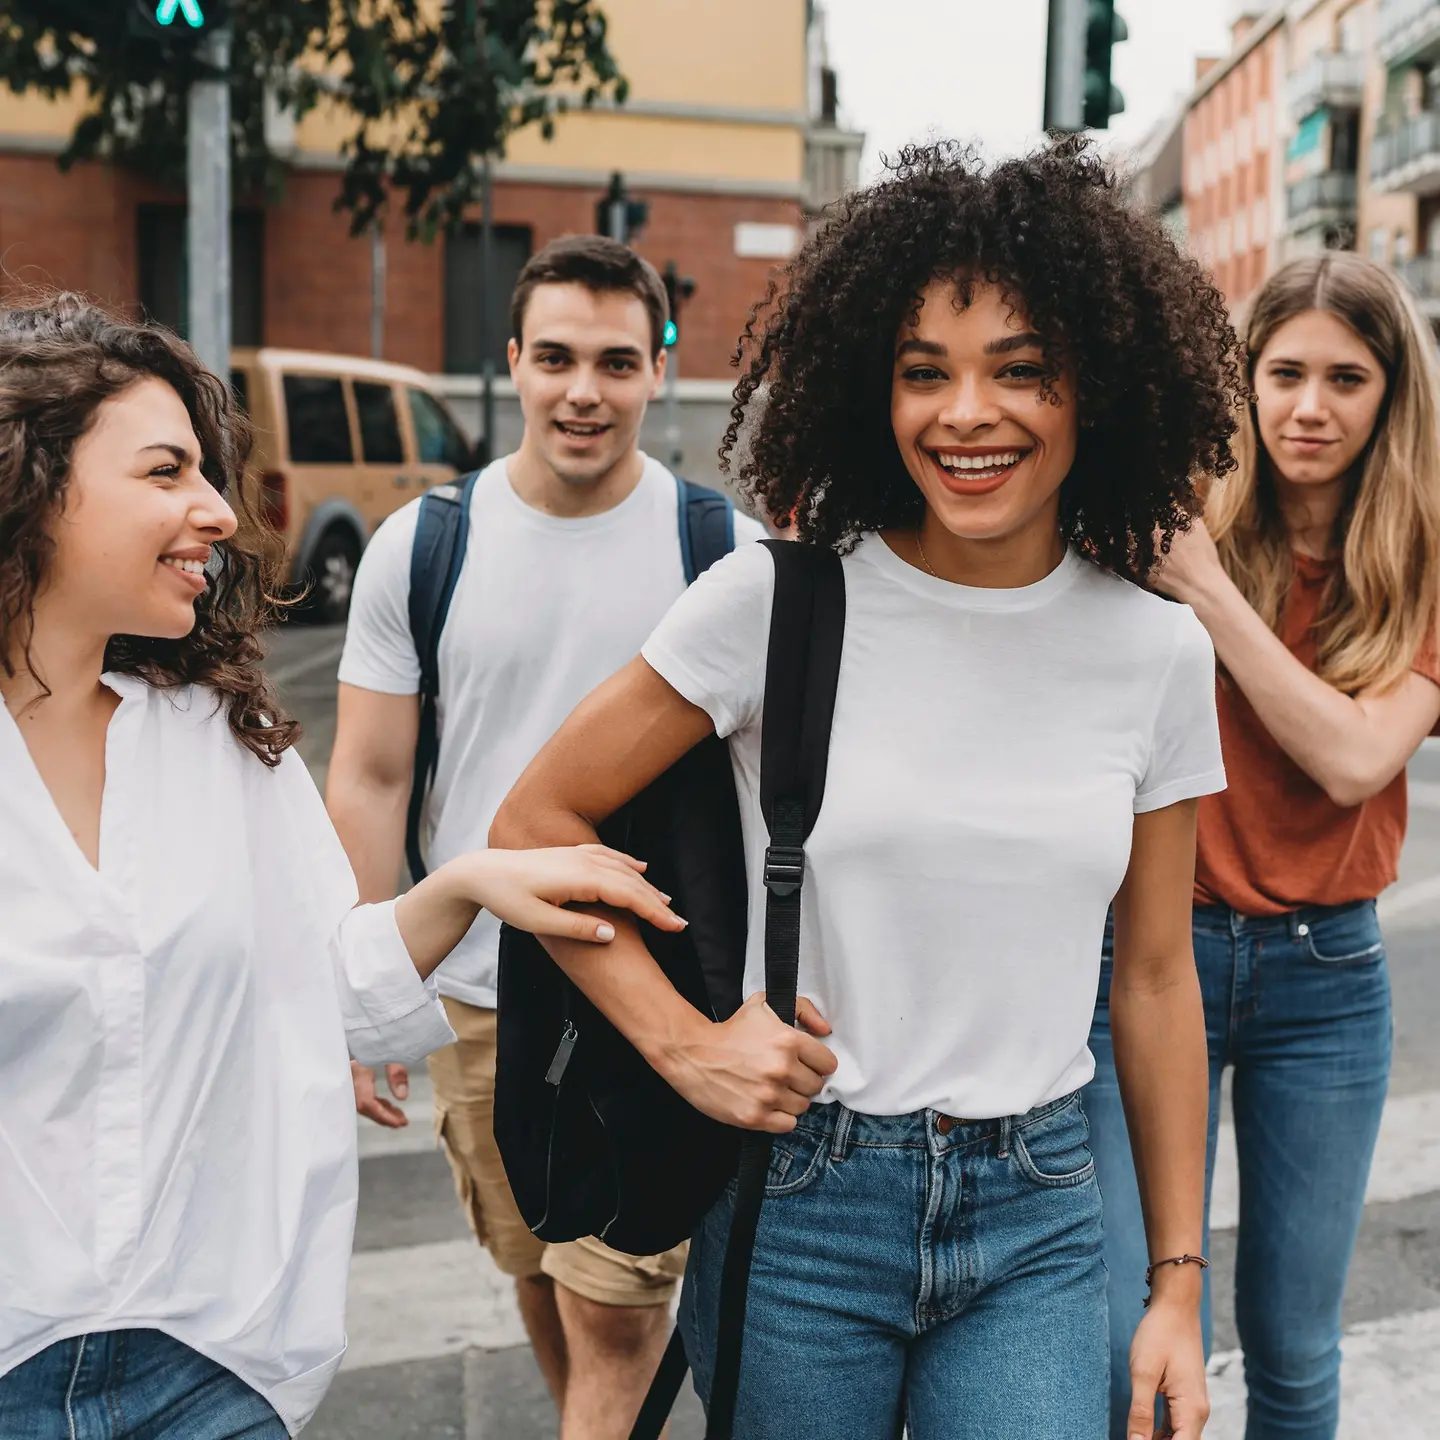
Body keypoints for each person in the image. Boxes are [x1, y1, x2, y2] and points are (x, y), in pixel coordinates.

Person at [491, 139, 1246, 1439]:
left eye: (1021, 371)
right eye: (923, 374)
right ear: (870, 391)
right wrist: (688, 1047)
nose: (968, 415)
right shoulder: (773, 606)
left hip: (1044, 1202)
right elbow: (532, 826)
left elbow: (1159, 977)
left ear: (1097, 389)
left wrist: (1176, 1286)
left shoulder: (1158, 648)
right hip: (803, 1198)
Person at [0, 295, 683, 1439]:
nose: (216, 510)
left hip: (207, 1359)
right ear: (31, 482)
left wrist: (463, 888)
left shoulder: (214, 740)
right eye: (166, 473)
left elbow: (325, 971)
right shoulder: (436, 543)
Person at [326, 234, 766, 1436]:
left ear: (657, 372)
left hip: (646, 992)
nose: (585, 391)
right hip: (479, 991)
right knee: (534, 1266)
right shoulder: (423, 546)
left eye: (617, 363)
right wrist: (370, 990)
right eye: (558, 358)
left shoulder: (718, 549)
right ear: (513, 361)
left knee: (619, 1313)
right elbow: (368, 776)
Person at [1085, 250, 1440, 1439]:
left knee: (1292, 1349)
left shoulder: (1418, 569)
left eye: (1348, 378)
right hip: (1146, 959)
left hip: (1325, 983)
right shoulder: (1168, 522)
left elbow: (1352, 760)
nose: (1309, 407)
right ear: (1242, 381)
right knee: (1119, 1331)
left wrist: (1208, 593)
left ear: (1392, 395)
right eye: (1283, 372)